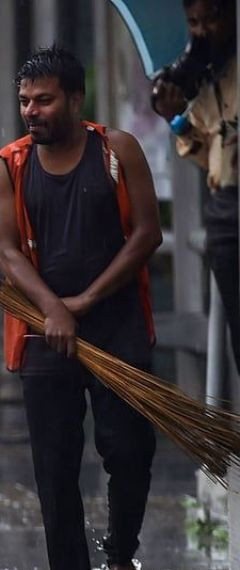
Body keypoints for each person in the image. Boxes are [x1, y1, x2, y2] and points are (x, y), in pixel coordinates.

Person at [0, 46, 161, 570]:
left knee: (130, 448)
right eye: (24, 101)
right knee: (55, 462)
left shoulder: (117, 150)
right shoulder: (11, 164)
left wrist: (86, 300)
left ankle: (120, 557)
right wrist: (54, 310)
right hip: (45, 331)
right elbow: (7, 252)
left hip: (118, 325)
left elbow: (147, 234)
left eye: (43, 100)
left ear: (75, 99)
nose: (31, 111)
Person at [153, 0, 239, 368]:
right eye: (194, 22)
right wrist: (176, 119)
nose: (203, 31)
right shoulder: (206, 77)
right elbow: (211, 156)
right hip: (226, 211)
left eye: (212, 19)